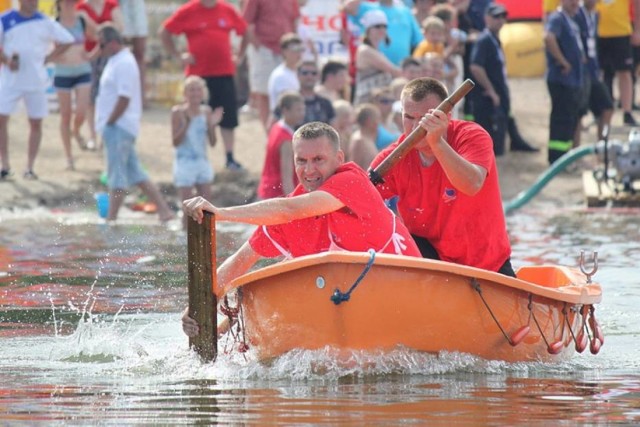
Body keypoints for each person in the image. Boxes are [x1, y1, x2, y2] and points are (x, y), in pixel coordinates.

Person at [181, 121, 421, 336]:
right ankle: (225, 327)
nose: (309, 171)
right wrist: (196, 306)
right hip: (348, 302)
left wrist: (221, 213)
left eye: (318, 160)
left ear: (338, 159)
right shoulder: (292, 207)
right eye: (301, 161)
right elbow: (240, 261)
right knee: (277, 275)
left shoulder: (352, 180)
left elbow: (289, 210)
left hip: (408, 290)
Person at [369, 77, 515, 276]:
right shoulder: (392, 157)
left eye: (425, 119)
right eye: (409, 117)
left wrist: (437, 143)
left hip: (487, 264)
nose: (415, 128)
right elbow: (361, 200)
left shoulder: (471, 136)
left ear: (447, 116)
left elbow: (472, 184)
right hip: (432, 261)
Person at [95, 25, 174, 222]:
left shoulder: (124, 63)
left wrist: (109, 122)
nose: (98, 48)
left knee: (116, 175)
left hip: (119, 127)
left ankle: (111, 220)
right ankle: (164, 212)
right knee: (137, 174)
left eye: (101, 44)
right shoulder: (116, 61)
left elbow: (124, 98)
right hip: (118, 127)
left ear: (113, 43)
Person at [160, 0, 247, 171]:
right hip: (198, 75)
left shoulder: (227, 9)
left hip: (224, 73)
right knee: (194, 116)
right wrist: (178, 56)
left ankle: (229, 157)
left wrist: (241, 56)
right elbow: (164, 32)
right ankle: (192, 154)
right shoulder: (188, 10)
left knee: (227, 117)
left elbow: (245, 31)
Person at [0, 0, 74, 180]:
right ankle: (5, 165)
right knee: (2, 119)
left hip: (36, 81)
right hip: (11, 80)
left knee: (35, 122)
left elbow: (68, 40)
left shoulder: (45, 21)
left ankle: (30, 167)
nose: (34, 2)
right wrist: (7, 60)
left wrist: (49, 58)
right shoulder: (6, 19)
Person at [470, 2, 537, 156]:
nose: (500, 20)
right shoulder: (484, 40)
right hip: (488, 96)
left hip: (499, 91)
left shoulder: (494, 38)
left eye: (503, 16)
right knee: (491, 141)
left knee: (504, 123)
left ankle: (516, 141)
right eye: (496, 16)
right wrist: (491, 90)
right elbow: (476, 67)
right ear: (487, 18)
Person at [171, 75, 223, 229]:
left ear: (203, 93)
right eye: (191, 90)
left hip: (201, 161)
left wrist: (212, 125)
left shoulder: (206, 111)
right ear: (185, 93)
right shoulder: (178, 111)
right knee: (187, 207)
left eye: (198, 90)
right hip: (184, 162)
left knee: (206, 207)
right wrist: (186, 124)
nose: (194, 94)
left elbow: (213, 143)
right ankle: (184, 235)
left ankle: (205, 237)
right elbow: (175, 142)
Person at [241, 0, 300, 131]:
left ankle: (285, 130)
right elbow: (246, 22)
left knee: (288, 91)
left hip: (285, 48)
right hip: (264, 48)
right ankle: (269, 133)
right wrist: (257, 44)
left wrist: (294, 44)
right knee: (264, 92)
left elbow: (294, 19)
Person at [53, 0, 96, 171]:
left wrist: (91, 55)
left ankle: (76, 131)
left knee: (81, 111)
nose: (70, 3)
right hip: (62, 73)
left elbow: (98, 35)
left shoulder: (82, 18)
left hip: (82, 70)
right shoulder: (54, 23)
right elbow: (43, 45)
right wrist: (53, 57)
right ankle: (69, 157)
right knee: (65, 115)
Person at [76, 0, 123, 151]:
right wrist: (108, 29)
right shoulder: (81, 8)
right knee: (91, 99)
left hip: (111, 57)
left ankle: (106, 136)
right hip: (90, 57)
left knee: (110, 96)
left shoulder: (111, 5)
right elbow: (91, 34)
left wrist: (101, 32)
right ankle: (93, 136)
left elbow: (120, 29)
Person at [544, 0, 585, 165]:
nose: (575, 3)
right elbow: (548, 37)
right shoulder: (557, 18)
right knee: (561, 119)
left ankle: (564, 158)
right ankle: (557, 159)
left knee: (569, 118)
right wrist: (563, 61)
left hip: (571, 81)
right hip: (561, 79)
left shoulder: (571, 20)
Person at [257, 91, 305, 199]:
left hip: (266, 189)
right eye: (298, 110)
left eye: (303, 109)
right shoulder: (286, 141)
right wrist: (293, 202)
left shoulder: (275, 127)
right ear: (285, 110)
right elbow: (286, 178)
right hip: (277, 194)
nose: (302, 113)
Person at [353, 9, 402, 105]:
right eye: (377, 26)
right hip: (366, 102)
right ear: (368, 30)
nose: (381, 29)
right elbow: (395, 71)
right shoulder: (365, 50)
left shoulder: (377, 51)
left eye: (384, 26)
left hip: (379, 102)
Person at [119, 0, 148, 106]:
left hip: (136, 6)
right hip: (120, 6)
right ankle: (122, 94)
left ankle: (141, 96)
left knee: (139, 55)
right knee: (120, 53)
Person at [297, 61, 335, 126]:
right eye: (305, 73)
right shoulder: (288, 101)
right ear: (298, 75)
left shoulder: (325, 103)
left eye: (314, 73)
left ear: (319, 76)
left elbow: (333, 129)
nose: (309, 76)